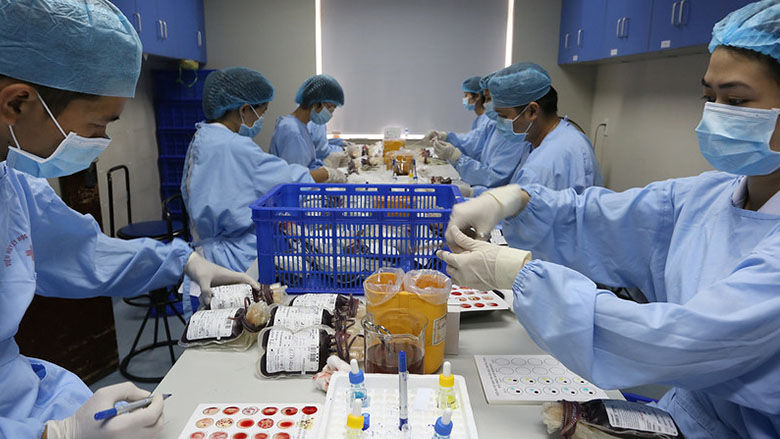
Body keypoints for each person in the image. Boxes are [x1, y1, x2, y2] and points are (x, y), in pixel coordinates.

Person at [437, 2, 780, 437]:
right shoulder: (710, 194)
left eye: (735, 101)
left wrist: (519, 273)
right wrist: (517, 200)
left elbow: (681, 339)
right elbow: (604, 216)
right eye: (708, 98)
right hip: (680, 414)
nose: (714, 115)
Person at [0, 1, 257, 438]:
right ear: (18, 102)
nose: (102, 140)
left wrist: (183, 262)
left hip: (26, 394)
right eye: (98, 123)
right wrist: (52, 436)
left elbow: (81, 250)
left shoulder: (12, 180)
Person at [182, 67, 333, 273]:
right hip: (232, 258)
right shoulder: (235, 146)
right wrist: (329, 174)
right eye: (260, 113)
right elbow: (286, 179)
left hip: (206, 250)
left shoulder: (203, 137)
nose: (258, 121)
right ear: (244, 109)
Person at [490, 62, 602, 195]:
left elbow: (521, 211)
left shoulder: (546, 164)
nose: (499, 123)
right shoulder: (561, 135)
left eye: (503, 116)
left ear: (532, 111)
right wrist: (475, 194)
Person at [432, 72, 533, 197]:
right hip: (489, 195)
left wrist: (456, 158)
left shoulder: (514, 132)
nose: (487, 104)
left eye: (490, 99)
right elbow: (474, 141)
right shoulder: (496, 124)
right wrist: (447, 137)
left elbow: (496, 178)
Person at [269, 74, 349, 170]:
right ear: (315, 103)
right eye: (330, 108)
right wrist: (326, 174)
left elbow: (307, 165)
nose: (330, 114)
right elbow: (295, 178)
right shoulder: (292, 131)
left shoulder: (301, 127)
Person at [424, 75, 490, 160]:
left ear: (477, 96)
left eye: (466, 95)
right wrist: (444, 136)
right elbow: (470, 139)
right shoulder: (480, 120)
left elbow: (471, 144)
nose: (464, 99)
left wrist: (447, 137)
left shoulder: (488, 120)